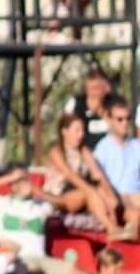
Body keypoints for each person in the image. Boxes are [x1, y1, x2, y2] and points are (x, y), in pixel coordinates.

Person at [46, 112, 125, 238]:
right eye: (77, 130)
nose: (81, 135)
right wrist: (91, 191)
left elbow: (98, 174)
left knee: (103, 192)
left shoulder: (84, 151)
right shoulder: (56, 152)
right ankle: (111, 228)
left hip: (81, 194)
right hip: (60, 196)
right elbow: (70, 176)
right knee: (91, 192)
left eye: (82, 130)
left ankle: (116, 229)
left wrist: (109, 193)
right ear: (65, 131)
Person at [93, 96, 140, 227]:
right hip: (117, 200)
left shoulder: (136, 146)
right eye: (119, 119)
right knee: (135, 215)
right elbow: (97, 181)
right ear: (109, 120)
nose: (124, 123)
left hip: (136, 197)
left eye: (128, 118)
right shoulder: (102, 149)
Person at [65, 67, 112, 150]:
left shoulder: (113, 104)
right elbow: (66, 131)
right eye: (89, 89)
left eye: (96, 88)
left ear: (105, 88)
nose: (92, 93)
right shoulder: (75, 103)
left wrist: (101, 112)